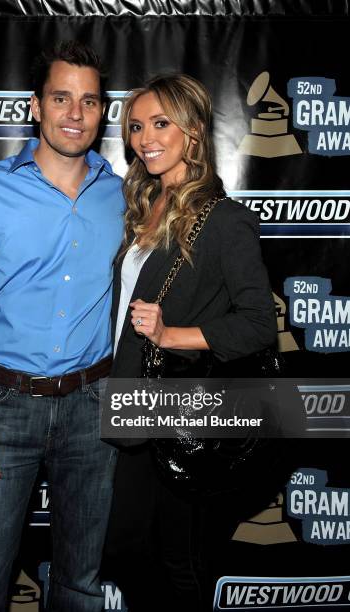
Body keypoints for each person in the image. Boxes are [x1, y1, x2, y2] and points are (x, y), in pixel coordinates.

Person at [0, 41, 125, 612]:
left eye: (89, 101)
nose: (74, 113)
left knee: (80, 587)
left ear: (101, 113)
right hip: (0, 407)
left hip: (93, 408)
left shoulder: (124, 196)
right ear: (36, 107)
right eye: (60, 98)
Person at [103, 74, 278, 610]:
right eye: (136, 126)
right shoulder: (143, 208)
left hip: (178, 411)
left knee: (176, 561)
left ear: (194, 133)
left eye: (161, 124)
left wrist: (170, 333)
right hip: (130, 405)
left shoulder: (222, 220)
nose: (144, 138)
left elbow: (257, 325)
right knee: (127, 555)